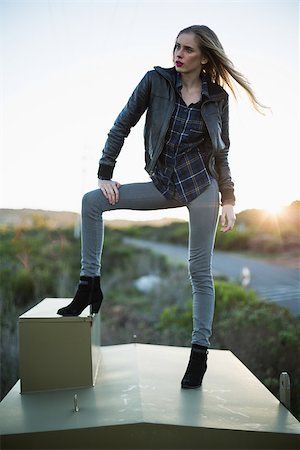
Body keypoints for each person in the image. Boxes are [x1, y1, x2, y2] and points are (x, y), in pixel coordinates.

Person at [57, 25, 265, 389]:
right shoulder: (156, 82)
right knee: (91, 203)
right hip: (164, 184)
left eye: (187, 49)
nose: (178, 54)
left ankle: (198, 353)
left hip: (202, 188)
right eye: (176, 47)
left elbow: (221, 152)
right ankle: (89, 284)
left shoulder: (217, 98)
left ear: (204, 57)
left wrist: (228, 199)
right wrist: (106, 172)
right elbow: (122, 123)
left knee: (199, 272)